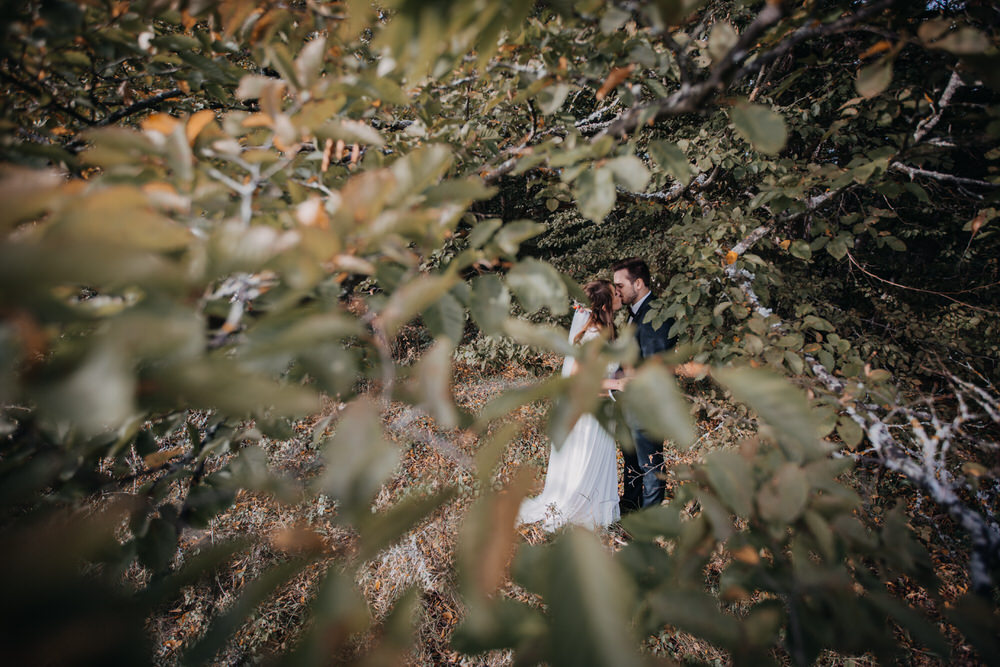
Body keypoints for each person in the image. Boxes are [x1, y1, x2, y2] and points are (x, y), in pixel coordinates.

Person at [517, 280, 623, 532]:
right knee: (583, 465)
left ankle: (594, 511)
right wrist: (618, 385)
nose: (620, 295)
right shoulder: (593, 336)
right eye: (615, 293)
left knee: (595, 465)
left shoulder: (604, 331)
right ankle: (579, 513)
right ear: (606, 303)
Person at [611, 257, 676, 514]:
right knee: (631, 461)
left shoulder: (655, 313)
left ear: (638, 283)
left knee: (650, 465)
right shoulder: (635, 313)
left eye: (620, 285)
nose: (616, 291)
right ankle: (630, 509)